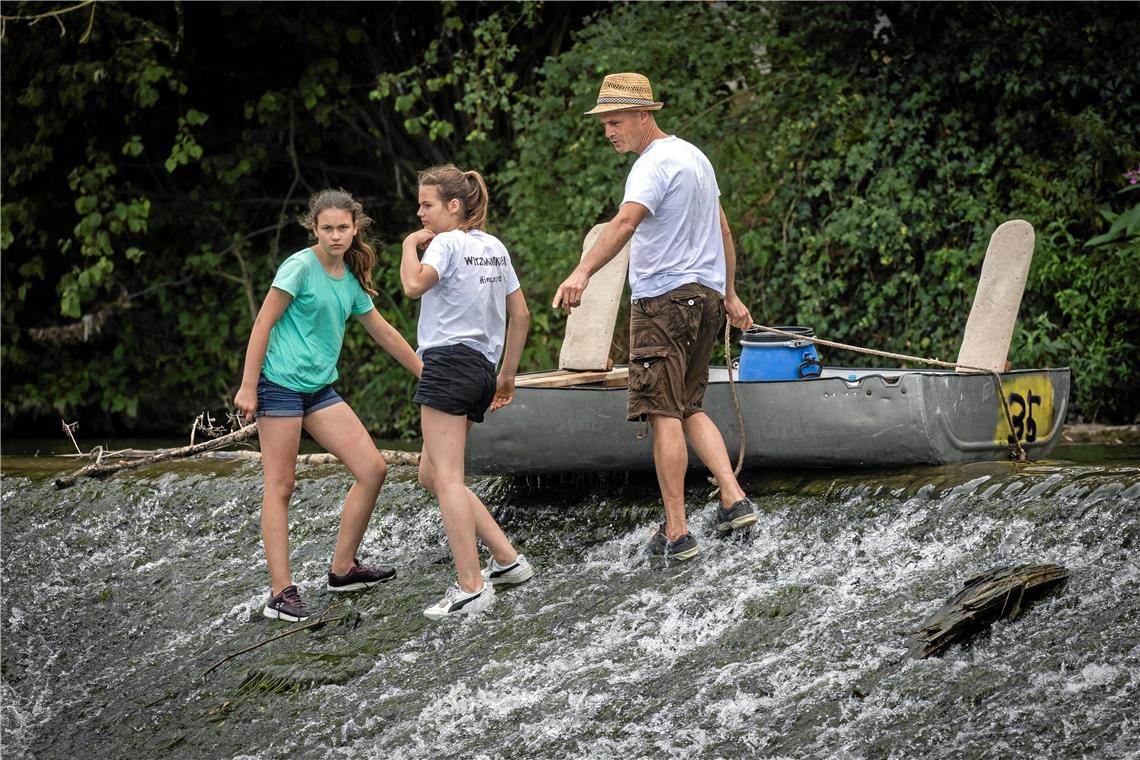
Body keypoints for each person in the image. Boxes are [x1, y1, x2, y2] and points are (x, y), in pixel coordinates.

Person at [553, 72, 759, 561]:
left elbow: (625, 222)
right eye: (604, 122)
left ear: (645, 115)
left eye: (616, 120)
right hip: (705, 300)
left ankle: (676, 531)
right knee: (690, 405)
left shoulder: (651, 164)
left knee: (663, 413)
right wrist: (729, 294)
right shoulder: (695, 157)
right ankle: (734, 498)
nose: (609, 130)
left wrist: (582, 272)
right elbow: (723, 230)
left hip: (663, 303)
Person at [234, 188, 423, 622]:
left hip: (319, 389)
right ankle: (281, 593)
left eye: (342, 228)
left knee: (373, 468)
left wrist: (423, 371)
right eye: (327, 228)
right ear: (314, 229)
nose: (335, 236)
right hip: (279, 386)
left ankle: (343, 569)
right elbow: (263, 323)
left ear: (355, 228)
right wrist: (248, 386)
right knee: (281, 485)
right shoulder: (299, 267)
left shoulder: (350, 279)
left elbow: (385, 332)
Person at [401, 164, 534, 620]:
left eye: (427, 204)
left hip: (447, 363)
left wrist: (406, 248)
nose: (419, 213)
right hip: (480, 367)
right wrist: (507, 373)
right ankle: (507, 560)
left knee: (449, 479)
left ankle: (470, 586)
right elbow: (521, 316)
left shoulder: (447, 242)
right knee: (431, 475)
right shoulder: (493, 247)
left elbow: (413, 285)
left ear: (453, 206)